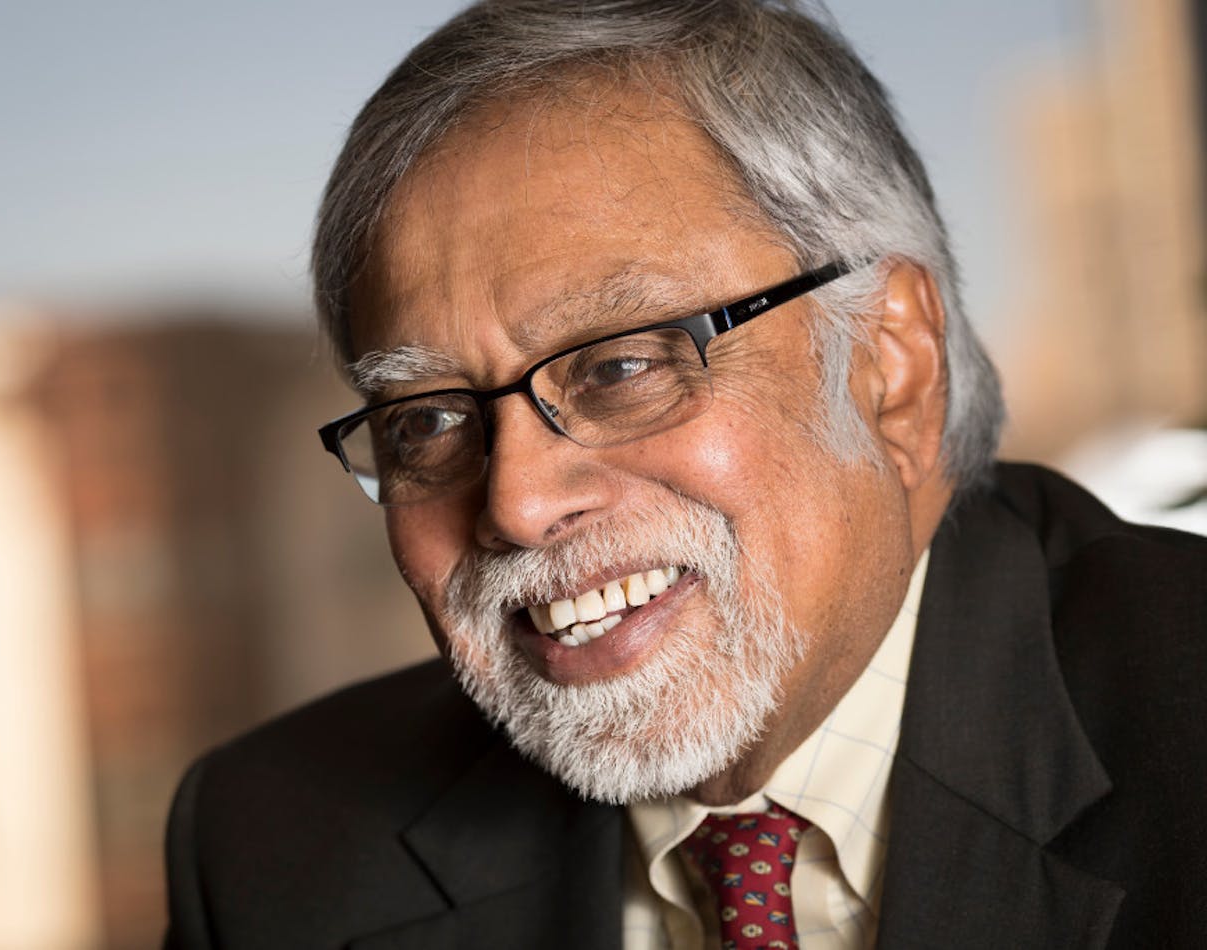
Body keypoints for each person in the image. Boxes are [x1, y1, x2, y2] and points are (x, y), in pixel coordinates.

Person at [163, 2, 1207, 947]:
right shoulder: (272, 851)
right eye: (427, 420)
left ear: (888, 363)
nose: (519, 505)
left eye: (621, 365)